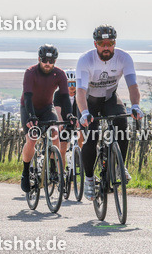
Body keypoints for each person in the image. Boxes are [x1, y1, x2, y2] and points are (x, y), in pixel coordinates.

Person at [76, 26, 144, 198]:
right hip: (89, 102)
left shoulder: (124, 58)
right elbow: (81, 91)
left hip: (109, 99)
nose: (106, 47)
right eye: (101, 43)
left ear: (115, 43)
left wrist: (135, 106)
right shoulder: (85, 60)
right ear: (95, 44)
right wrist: (84, 113)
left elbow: (132, 85)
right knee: (92, 136)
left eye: (110, 43)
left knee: (122, 125)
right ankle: (90, 179)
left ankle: (119, 166)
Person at [19, 44, 73, 193]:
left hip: (47, 107)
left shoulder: (60, 74)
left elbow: (64, 97)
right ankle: (25, 172)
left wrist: (69, 115)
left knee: (55, 131)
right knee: (32, 137)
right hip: (28, 107)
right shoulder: (30, 72)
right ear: (39, 59)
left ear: (55, 61)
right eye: (44, 60)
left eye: (51, 61)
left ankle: (52, 166)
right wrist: (31, 116)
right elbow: (28, 96)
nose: (48, 64)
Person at [54, 70, 81, 161]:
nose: (72, 87)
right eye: (69, 84)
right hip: (64, 123)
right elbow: (57, 110)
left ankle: (81, 164)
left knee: (83, 141)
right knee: (62, 148)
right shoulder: (58, 94)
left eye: (74, 84)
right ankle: (61, 173)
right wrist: (60, 122)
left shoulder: (80, 94)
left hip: (77, 123)